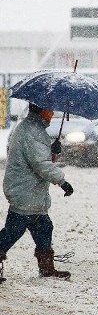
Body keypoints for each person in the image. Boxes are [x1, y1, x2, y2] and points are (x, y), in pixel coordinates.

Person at [0, 103, 74, 281]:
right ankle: (46, 267)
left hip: (29, 191)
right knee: (14, 231)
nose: (53, 113)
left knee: (43, 226)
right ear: (43, 110)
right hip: (25, 191)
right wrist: (62, 181)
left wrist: (51, 150)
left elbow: (37, 157)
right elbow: (40, 164)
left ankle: (47, 268)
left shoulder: (31, 128)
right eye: (50, 109)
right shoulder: (33, 131)